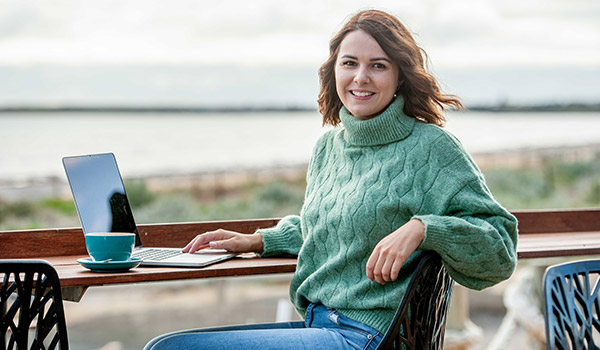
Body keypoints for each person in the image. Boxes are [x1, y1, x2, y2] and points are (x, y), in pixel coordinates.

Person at [145, 9, 518, 350]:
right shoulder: (329, 147)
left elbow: (500, 250)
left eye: (378, 66)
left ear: (400, 75)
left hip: (373, 337)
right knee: (165, 342)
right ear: (333, 71)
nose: (361, 77)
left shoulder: (433, 148)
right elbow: (329, 229)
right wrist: (256, 240)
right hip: (317, 324)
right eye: (350, 63)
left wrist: (424, 228)